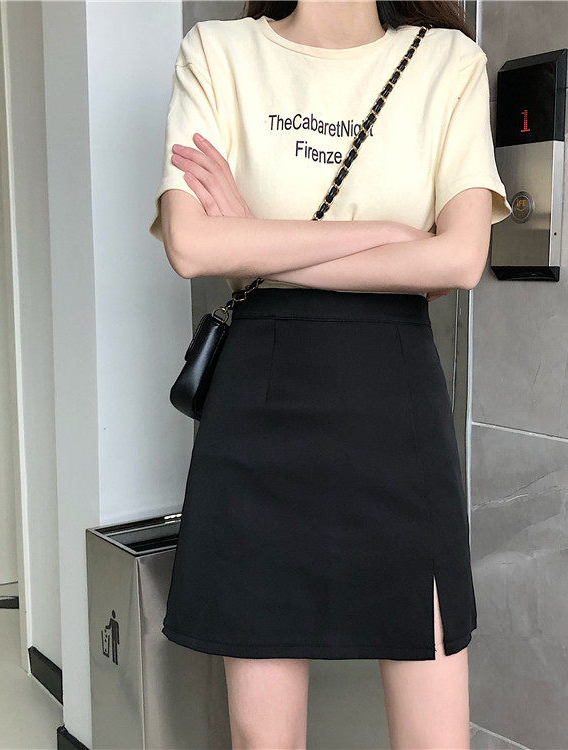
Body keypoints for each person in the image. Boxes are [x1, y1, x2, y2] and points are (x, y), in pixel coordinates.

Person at [149, 1, 511, 747]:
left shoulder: (449, 61)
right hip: (260, 413)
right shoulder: (217, 52)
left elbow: (458, 260)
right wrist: (389, 239)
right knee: (264, 740)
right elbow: (191, 245)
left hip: (395, 412)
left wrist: (256, 242)